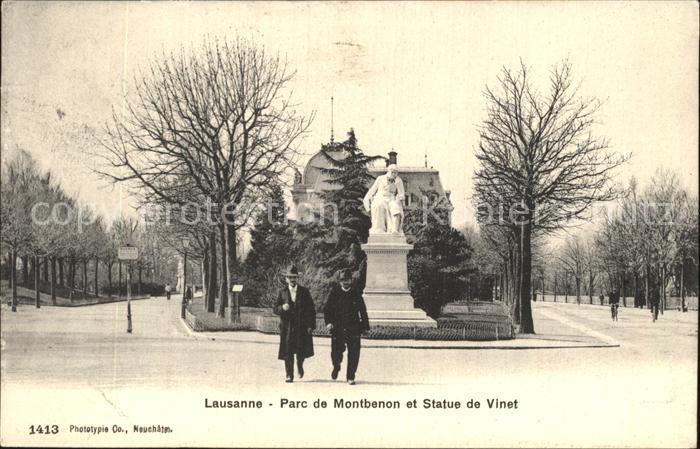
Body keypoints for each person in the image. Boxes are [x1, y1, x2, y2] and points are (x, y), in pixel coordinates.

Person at [323, 269, 370, 385]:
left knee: (354, 352)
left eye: (347, 280)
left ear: (351, 280)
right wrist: (329, 322)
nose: (345, 282)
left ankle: (350, 376)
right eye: (343, 280)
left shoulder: (356, 293)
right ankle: (336, 366)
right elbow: (327, 310)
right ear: (340, 281)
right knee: (336, 353)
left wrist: (365, 327)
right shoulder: (335, 293)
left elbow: (363, 311)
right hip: (338, 328)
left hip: (353, 327)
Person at [273, 264, 316, 383]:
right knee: (288, 351)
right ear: (286, 278)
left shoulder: (304, 291)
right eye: (290, 277)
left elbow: (311, 310)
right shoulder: (282, 292)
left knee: (301, 350)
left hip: (301, 327)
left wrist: (311, 326)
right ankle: (289, 374)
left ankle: (300, 365)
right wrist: (282, 307)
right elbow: (275, 308)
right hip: (287, 327)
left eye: (294, 277)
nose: (292, 279)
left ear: (297, 278)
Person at [363, 164, 405, 234]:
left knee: (395, 208)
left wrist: (400, 198)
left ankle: (394, 230)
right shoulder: (380, 178)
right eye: (393, 172)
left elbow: (401, 193)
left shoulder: (398, 180)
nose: (394, 174)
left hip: (391, 198)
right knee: (379, 206)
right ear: (388, 171)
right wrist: (366, 200)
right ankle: (379, 230)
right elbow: (372, 189)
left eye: (396, 172)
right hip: (380, 197)